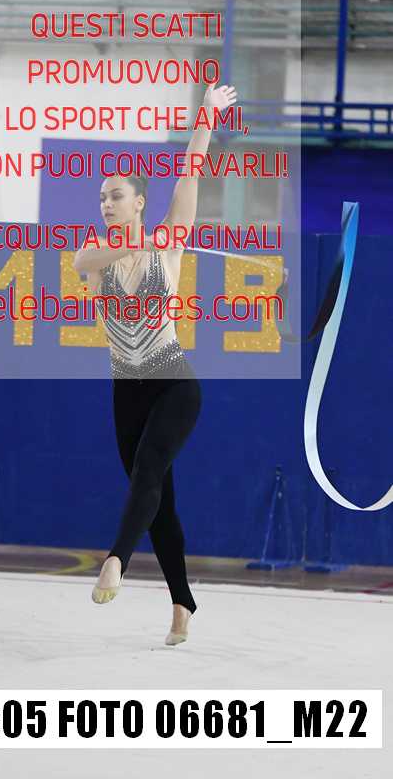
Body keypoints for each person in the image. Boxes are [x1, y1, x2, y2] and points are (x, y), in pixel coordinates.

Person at [74, 83, 237, 645]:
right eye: (102, 198)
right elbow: (87, 258)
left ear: (139, 201)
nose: (106, 204)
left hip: (173, 384)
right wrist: (134, 242)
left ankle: (115, 561)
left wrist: (206, 118)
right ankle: (183, 603)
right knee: (159, 505)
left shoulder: (167, 245)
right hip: (127, 392)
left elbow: (190, 175)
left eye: (116, 195)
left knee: (147, 475)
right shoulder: (93, 255)